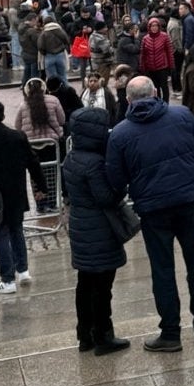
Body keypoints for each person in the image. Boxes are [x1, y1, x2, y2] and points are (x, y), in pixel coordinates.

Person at [105, 74, 194, 351]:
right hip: (188, 199)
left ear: (128, 100)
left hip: (153, 208)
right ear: (156, 92)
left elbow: (116, 179)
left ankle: (171, 332)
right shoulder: (182, 115)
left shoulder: (120, 133)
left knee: (162, 270)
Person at [61, 108, 132, 354]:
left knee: (85, 283)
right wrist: (120, 187)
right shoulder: (94, 163)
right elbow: (105, 197)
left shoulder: (71, 158)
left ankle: (85, 334)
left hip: (81, 227)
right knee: (103, 286)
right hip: (100, 229)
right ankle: (103, 335)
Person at [0, 102, 47, 295]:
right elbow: (33, 161)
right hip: (17, 193)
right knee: (17, 231)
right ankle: (23, 270)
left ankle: (7, 279)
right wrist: (41, 186)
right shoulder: (18, 136)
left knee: (0, 235)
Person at [13, 78, 65, 143]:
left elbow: (17, 126)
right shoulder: (54, 100)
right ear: (44, 88)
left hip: (30, 142)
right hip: (52, 141)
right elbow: (62, 121)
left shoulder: (23, 105)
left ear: (27, 90)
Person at [138, 15, 175, 101]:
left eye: (156, 26)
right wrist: (142, 67)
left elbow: (169, 52)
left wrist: (171, 66)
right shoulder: (145, 39)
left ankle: (166, 103)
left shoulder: (165, 37)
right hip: (151, 68)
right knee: (155, 88)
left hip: (162, 67)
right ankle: (157, 103)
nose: (154, 28)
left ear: (159, 27)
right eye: (152, 26)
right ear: (149, 27)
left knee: (164, 87)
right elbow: (143, 54)